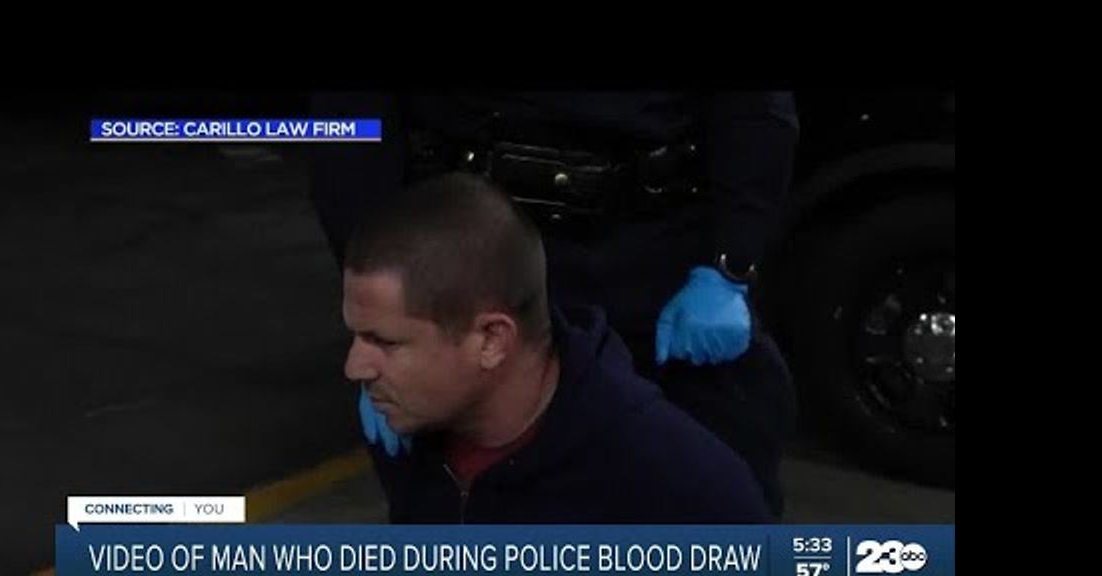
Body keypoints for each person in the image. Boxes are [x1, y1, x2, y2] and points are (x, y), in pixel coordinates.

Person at [311, 92, 799, 517]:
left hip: (662, 259)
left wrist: (730, 264)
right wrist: (382, 307)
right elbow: (350, 128)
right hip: (474, 257)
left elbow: (755, 107)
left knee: (714, 489)